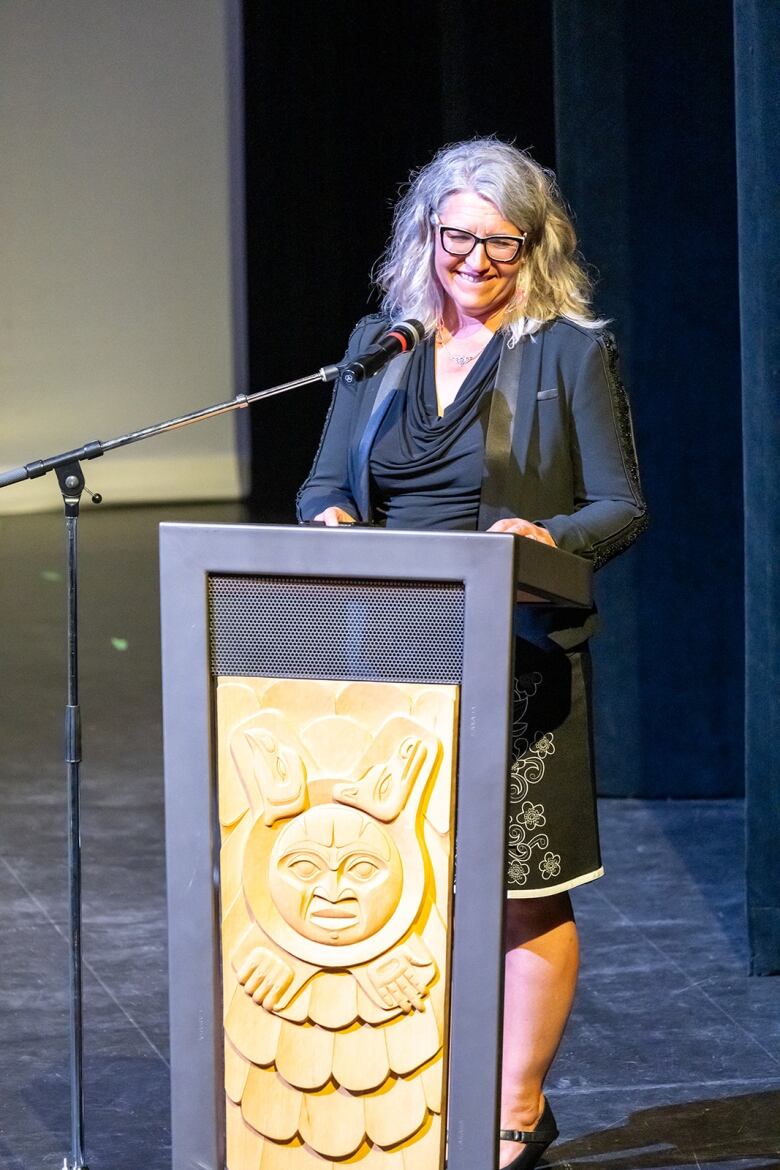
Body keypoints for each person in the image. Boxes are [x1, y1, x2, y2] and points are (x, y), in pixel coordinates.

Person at [297, 137, 647, 1170]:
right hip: (388, 650)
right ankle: (411, 1086)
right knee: (403, 879)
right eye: (458, 237)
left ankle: (515, 1108)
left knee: (520, 884)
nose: (477, 261)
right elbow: (325, 483)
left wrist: (547, 540)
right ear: (427, 236)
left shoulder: (568, 349)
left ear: (534, 245)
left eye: (502, 241)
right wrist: (330, 522)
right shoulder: (382, 341)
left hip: (516, 650)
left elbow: (622, 507)